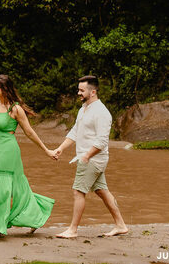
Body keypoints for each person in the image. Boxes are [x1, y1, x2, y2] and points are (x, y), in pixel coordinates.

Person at [0, 74, 57, 236]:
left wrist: (47, 150)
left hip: (9, 152)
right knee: (18, 190)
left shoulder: (15, 109)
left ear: (5, 89)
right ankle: (35, 216)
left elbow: (29, 132)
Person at [53, 75, 129, 238]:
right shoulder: (83, 109)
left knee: (78, 192)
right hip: (88, 158)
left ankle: (73, 230)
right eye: (78, 90)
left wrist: (87, 156)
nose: (78, 93)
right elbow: (75, 131)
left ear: (93, 92)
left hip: (93, 159)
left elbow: (102, 141)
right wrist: (61, 148)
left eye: (82, 90)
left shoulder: (102, 113)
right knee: (102, 191)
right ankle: (121, 225)